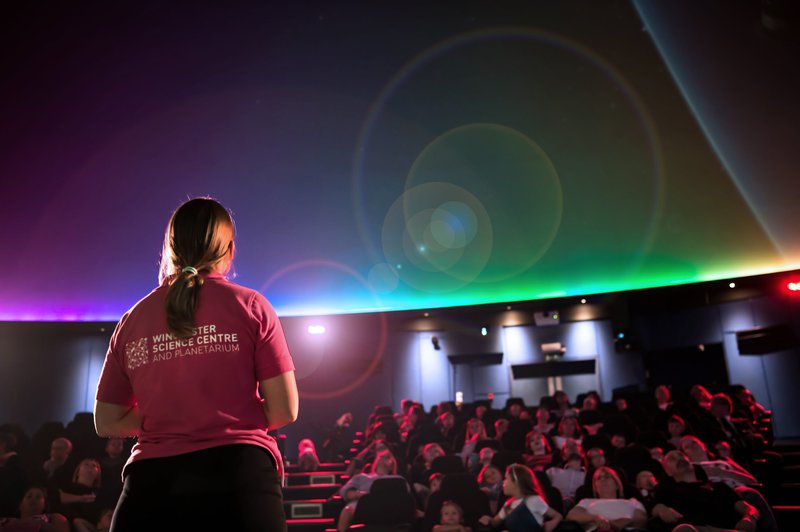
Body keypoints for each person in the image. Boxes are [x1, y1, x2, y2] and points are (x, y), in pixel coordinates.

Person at [93, 197, 298, 531]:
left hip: (150, 491)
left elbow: (107, 420)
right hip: (239, 483)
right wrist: (218, 412)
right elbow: (284, 410)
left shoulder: (132, 320)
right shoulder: (252, 307)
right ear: (230, 250)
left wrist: (173, 413)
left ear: (170, 249)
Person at [478, 464, 562, 532]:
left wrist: (552, 523)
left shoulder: (533, 500)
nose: (503, 482)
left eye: (506, 479)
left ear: (516, 482)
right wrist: (488, 519)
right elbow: (494, 523)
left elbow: (557, 516)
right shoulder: (508, 505)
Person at [566, 466, 647, 531]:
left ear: (616, 484)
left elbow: (641, 520)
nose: (603, 480)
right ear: (595, 487)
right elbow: (572, 515)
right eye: (599, 478)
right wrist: (596, 519)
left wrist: (624, 522)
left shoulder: (632, 502)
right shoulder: (586, 501)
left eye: (607, 477)